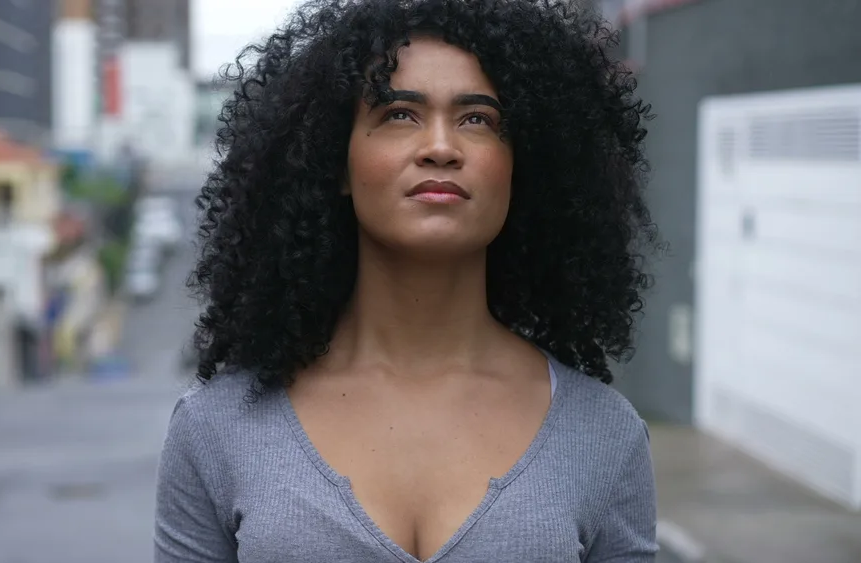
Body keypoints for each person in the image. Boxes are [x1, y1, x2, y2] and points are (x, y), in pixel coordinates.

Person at [156, 0, 660, 561]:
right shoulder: (216, 428)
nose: (441, 147)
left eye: (478, 119)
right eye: (399, 113)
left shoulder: (604, 436)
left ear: (522, 170)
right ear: (336, 163)